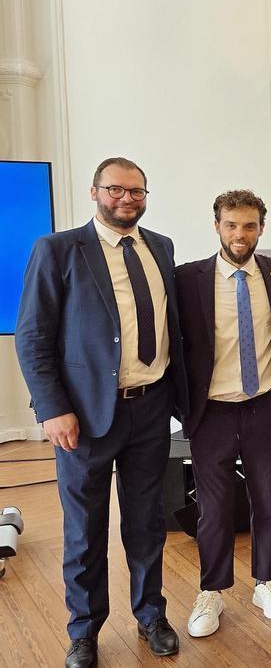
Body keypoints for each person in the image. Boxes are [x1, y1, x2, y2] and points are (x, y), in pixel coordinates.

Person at [15, 157, 187, 667]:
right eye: (115, 189)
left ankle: (151, 614)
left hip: (151, 409)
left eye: (136, 191)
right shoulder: (58, 249)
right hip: (83, 417)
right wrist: (53, 408)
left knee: (146, 522)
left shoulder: (161, 246)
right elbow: (32, 337)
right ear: (94, 192)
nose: (126, 199)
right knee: (85, 529)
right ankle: (84, 630)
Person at [175, 190, 271, 637]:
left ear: (261, 228)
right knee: (213, 507)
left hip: (264, 407)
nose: (240, 234)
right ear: (217, 227)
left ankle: (267, 580)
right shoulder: (188, 278)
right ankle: (212, 590)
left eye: (249, 226)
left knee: (269, 500)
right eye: (231, 225)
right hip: (213, 413)